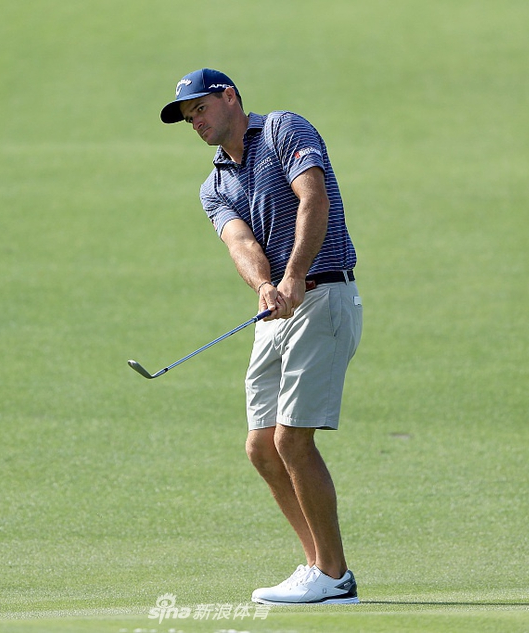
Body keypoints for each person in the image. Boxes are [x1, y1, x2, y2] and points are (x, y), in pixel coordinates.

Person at [160, 69, 363, 605]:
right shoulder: (214, 184)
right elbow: (239, 241)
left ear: (229, 97)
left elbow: (312, 198)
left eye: (200, 108)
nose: (195, 122)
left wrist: (294, 273)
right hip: (279, 308)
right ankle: (317, 566)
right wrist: (267, 284)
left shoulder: (283, 130)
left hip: (323, 294)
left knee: (292, 439)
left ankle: (335, 577)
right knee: (261, 445)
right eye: (188, 117)